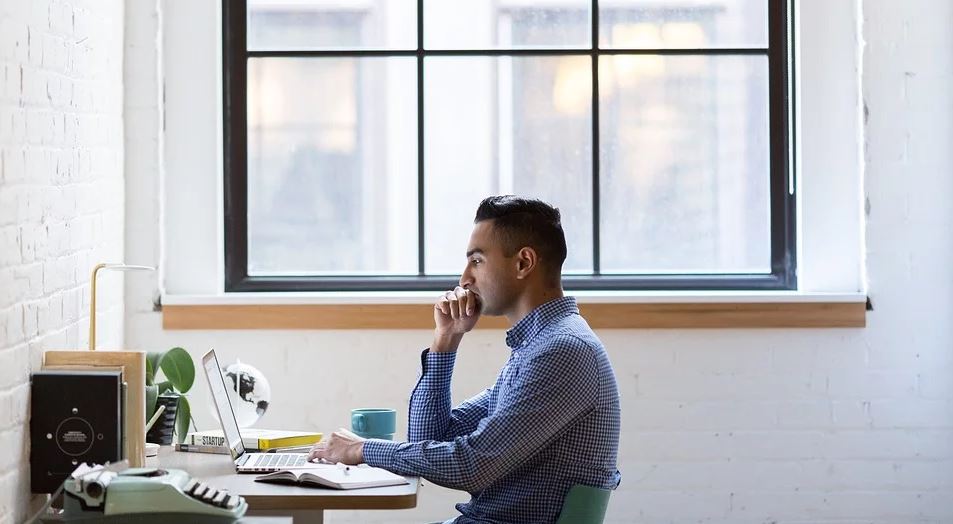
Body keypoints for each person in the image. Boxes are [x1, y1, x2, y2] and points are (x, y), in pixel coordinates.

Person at [311, 195, 621, 523]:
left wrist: (361, 450)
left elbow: (471, 467)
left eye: (477, 261)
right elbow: (428, 439)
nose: (464, 279)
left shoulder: (562, 351)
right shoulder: (536, 348)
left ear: (523, 263)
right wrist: (446, 341)